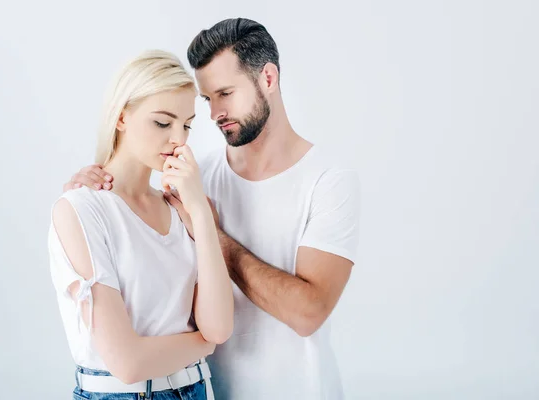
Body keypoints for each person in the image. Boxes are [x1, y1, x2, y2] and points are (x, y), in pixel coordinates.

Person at [65, 18, 361, 400]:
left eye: (225, 93)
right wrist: (87, 186)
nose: (213, 113)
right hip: (202, 389)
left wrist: (210, 232)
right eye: (207, 99)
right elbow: (133, 232)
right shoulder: (192, 177)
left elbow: (309, 313)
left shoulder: (329, 180)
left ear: (268, 79)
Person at [49, 50, 233, 400]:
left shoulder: (180, 207)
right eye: (163, 123)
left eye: (187, 124)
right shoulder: (81, 209)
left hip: (196, 389)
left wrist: (200, 213)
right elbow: (127, 363)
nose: (178, 138)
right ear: (121, 117)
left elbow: (220, 326)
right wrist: (203, 343)